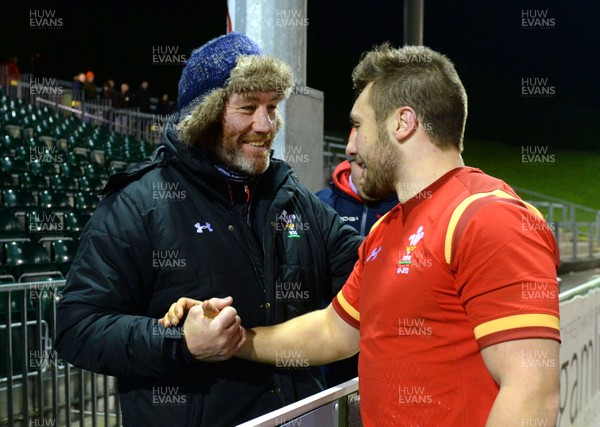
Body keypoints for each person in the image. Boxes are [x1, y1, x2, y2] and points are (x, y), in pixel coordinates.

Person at [163, 44, 561, 426]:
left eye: (357, 125)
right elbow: (332, 331)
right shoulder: (387, 230)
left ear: (402, 123)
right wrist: (233, 337)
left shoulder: (489, 218)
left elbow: (532, 394)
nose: (349, 147)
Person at [55, 32, 361, 427]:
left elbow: (368, 268)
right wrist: (180, 343)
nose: (265, 124)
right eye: (248, 107)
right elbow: (77, 327)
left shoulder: (291, 195)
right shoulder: (139, 203)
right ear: (204, 115)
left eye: (271, 107)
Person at [316, 127, 398, 386]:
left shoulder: (407, 206)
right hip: (331, 336)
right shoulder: (320, 204)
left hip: (385, 343)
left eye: (369, 164)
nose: (364, 172)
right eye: (358, 164)